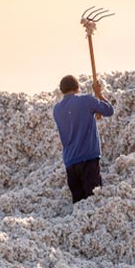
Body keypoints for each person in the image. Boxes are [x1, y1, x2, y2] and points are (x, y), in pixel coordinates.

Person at [53, 75, 114, 203]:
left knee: (78, 203)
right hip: (88, 158)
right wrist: (99, 94)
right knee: (94, 201)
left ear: (61, 91)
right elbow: (109, 110)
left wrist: (93, 110)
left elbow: (75, 116)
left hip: (70, 161)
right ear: (78, 87)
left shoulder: (57, 109)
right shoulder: (86, 101)